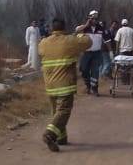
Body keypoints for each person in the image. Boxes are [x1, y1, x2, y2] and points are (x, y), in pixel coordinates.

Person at [37, 18, 92, 152]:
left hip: (50, 84)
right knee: (63, 111)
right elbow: (88, 42)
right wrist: (80, 32)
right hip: (64, 84)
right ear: (64, 28)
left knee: (56, 112)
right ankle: (49, 134)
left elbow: (42, 53)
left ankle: (61, 138)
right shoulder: (70, 41)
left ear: (52, 28)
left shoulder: (43, 43)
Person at [76, 10, 107, 96]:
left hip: (97, 53)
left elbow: (106, 40)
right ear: (89, 18)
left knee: (95, 71)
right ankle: (88, 85)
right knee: (83, 69)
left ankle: (95, 89)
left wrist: (111, 51)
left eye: (96, 19)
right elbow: (76, 31)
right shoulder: (84, 27)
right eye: (93, 18)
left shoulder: (101, 28)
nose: (95, 20)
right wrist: (86, 25)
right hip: (86, 53)